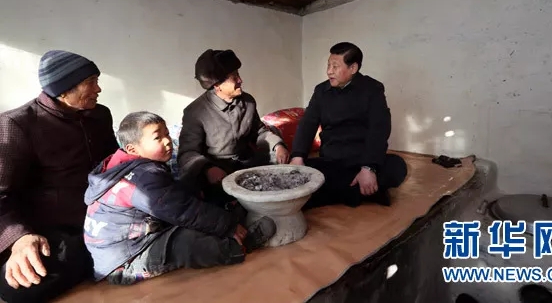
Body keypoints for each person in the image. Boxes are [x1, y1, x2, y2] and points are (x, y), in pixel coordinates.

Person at [83, 111, 276, 284]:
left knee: (192, 195)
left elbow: (173, 198)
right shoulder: (142, 179)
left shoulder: (119, 166)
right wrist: (228, 225)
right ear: (133, 149)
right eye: (158, 137)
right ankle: (237, 247)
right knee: (185, 241)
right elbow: (182, 210)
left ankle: (227, 219)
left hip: (129, 243)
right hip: (126, 261)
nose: (167, 141)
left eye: (167, 134)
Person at [0, 50, 119, 303]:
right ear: (63, 90)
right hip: (55, 229)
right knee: (18, 288)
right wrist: (19, 238)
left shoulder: (100, 115)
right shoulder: (16, 124)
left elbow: (114, 164)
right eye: (91, 82)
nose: (98, 89)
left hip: (107, 216)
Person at [289, 42, 407, 209]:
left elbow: (379, 129)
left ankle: (339, 190)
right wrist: (298, 156)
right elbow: (307, 123)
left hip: (361, 158)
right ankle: (359, 192)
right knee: (298, 172)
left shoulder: (372, 89)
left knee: (397, 166)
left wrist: (368, 168)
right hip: (331, 161)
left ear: (353, 68)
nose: (329, 71)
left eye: (335, 66)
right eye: (328, 65)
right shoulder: (321, 91)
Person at [178, 49, 288, 204]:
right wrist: (207, 169)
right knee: (200, 191)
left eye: (238, 74)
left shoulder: (248, 101)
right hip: (217, 169)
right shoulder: (195, 112)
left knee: (285, 168)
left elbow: (259, 131)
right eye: (234, 77)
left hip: (246, 162)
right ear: (217, 85)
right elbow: (187, 153)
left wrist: (277, 146)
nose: (240, 80)